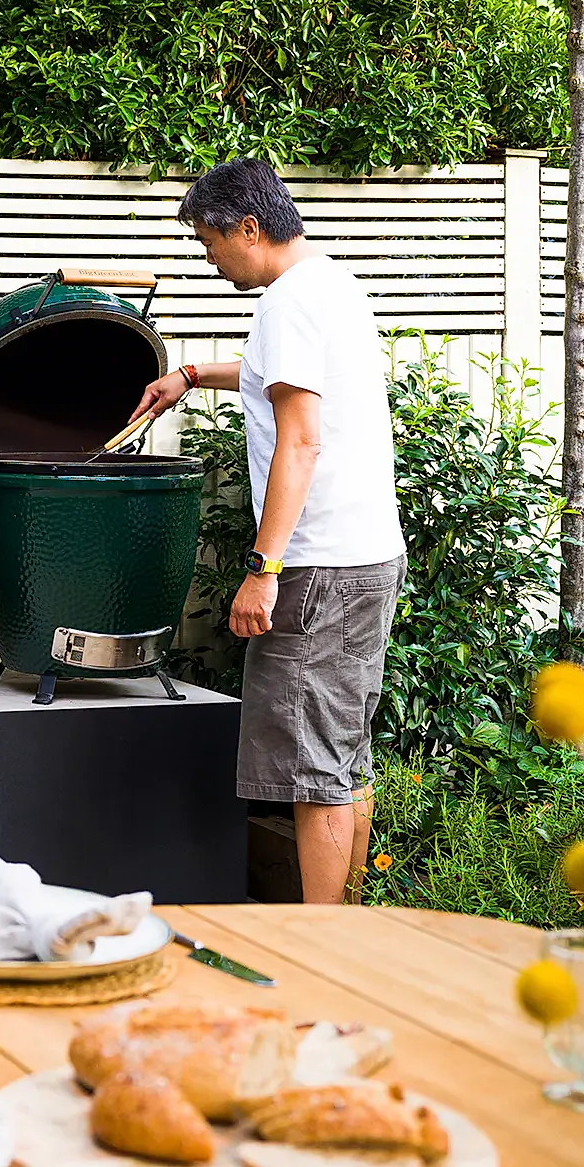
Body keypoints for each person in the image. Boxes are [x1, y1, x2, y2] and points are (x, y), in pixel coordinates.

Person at [127, 157, 405, 906]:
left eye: (210, 243)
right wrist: (188, 374)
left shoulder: (285, 306)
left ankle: (322, 949)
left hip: (316, 571)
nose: (209, 258)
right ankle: (348, 928)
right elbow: (275, 372)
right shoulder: (330, 285)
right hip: (368, 559)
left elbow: (302, 442)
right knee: (345, 760)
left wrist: (264, 568)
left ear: (249, 229)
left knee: (314, 773)